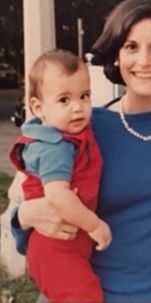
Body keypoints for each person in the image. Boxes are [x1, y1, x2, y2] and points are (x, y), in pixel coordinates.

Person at [12, 0, 151, 302]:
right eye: (131, 47)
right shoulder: (81, 129)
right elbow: (30, 200)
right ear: (116, 54)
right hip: (94, 295)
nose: (144, 60)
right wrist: (23, 216)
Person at [8, 49, 110, 302]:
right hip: (55, 247)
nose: (78, 108)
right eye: (64, 100)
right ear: (38, 108)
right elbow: (58, 197)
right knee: (84, 297)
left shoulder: (75, 133)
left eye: (84, 96)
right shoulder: (56, 147)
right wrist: (94, 225)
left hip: (69, 246)